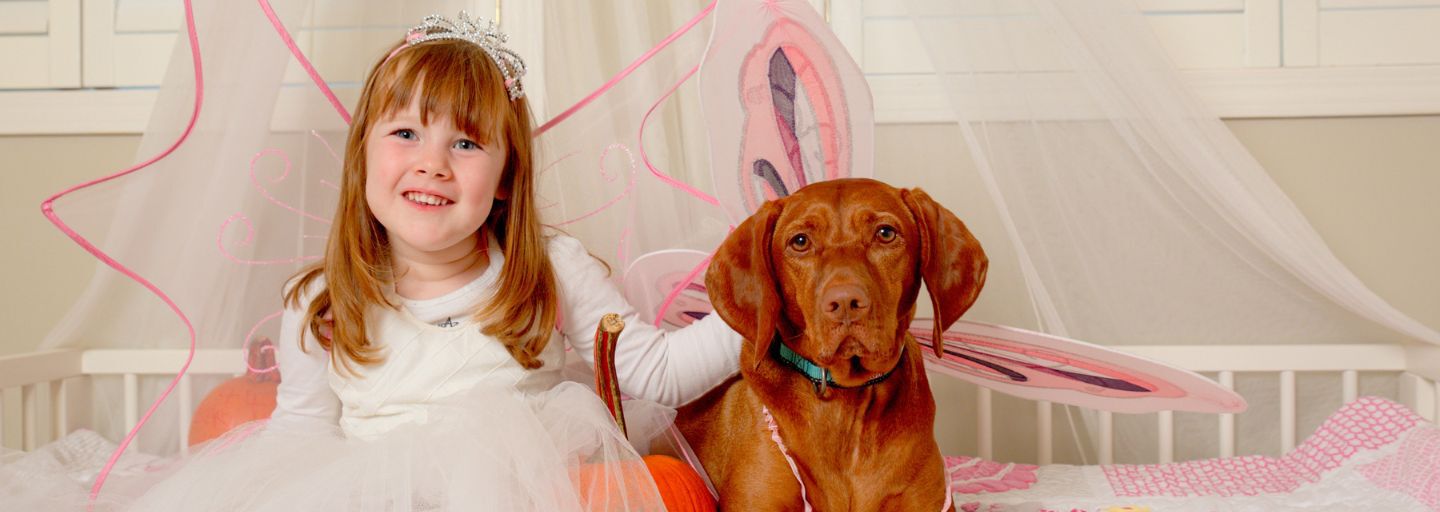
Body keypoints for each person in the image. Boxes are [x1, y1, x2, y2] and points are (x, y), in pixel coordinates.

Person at [113, 12, 743, 511]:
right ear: (363, 154)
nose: (432, 162)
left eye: (465, 143)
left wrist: (770, 309)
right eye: (406, 133)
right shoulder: (323, 302)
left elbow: (658, 371)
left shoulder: (547, 269)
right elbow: (301, 435)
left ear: (503, 180)